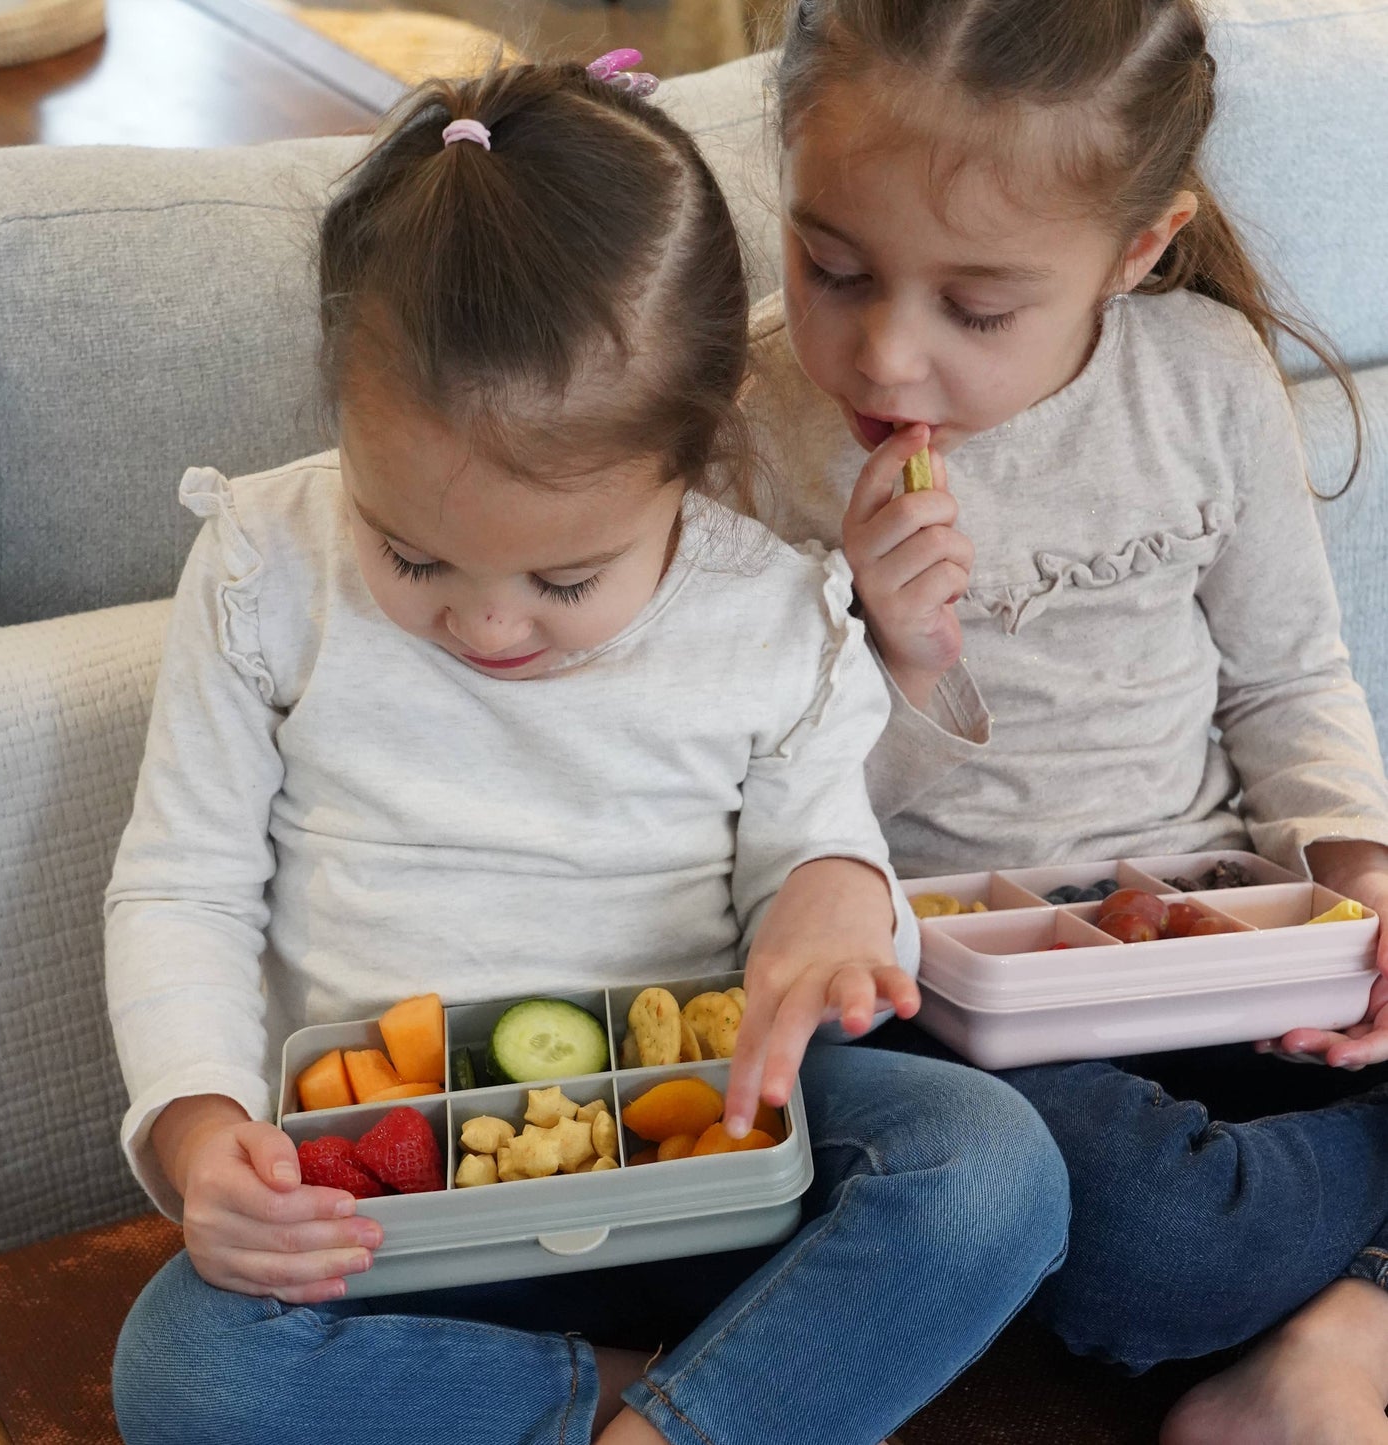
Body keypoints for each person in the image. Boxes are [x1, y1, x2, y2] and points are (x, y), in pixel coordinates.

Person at [105, 56, 1070, 1445]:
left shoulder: (771, 612)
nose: (489, 622)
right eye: (413, 553)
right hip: (402, 1216)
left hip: (707, 1162)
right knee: (193, 1373)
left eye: (566, 582)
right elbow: (181, 884)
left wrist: (832, 903)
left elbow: (819, 853)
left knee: (992, 1173)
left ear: (690, 454)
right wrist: (200, 1139)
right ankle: (684, 1402)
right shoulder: (263, 566)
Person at [740, 2, 1388, 1441]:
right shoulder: (737, 417)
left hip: (1212, 927)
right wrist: (877, 647)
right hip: (937, 993)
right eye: (832, 268)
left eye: (975, 310)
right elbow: (718, 787)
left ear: (1138, 246)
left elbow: (1288, 680)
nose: (886, 360)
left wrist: (1362, 875)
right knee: (1155, 1239)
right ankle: (1322, 1303)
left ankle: (1336, 1331)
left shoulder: (1203, 379)